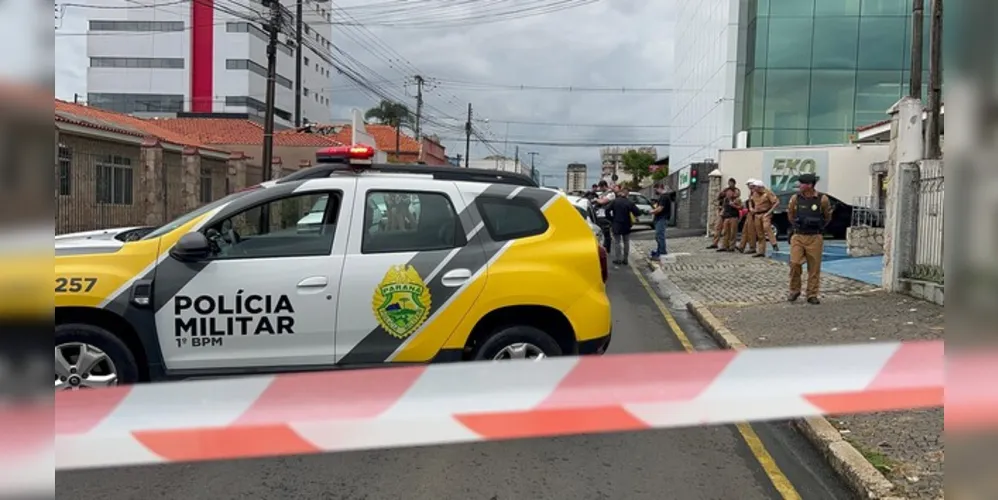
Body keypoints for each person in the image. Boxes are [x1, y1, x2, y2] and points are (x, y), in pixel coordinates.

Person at [787, 173, 832, 304]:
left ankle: (812, 294)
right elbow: (790, 214)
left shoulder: (822, 199)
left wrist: (819, 227)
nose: (800, 186)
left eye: (802, 183)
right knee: (795, 263)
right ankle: (794, 290)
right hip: (799, 235)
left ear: (810, 185)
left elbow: (827, 216)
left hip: (814, 236)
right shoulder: (795, 198)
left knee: (814, 267)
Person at [604, 187, 640, 265]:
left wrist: (611, 219)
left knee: (617, 242)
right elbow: (637, 212)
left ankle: (618, 259)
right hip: (626, 224)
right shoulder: (630, 202)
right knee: (626, 241)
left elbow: (607, 210)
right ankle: (625, 259)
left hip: (616, 223)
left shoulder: (615, 201)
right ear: (628, 194)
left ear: (621, 193)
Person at [749, 179, 780, 257]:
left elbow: (776, 202)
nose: (753, 188)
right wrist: (751, 208)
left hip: (765, 213)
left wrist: (769, 212)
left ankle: (774, 244)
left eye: (755, 187)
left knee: (766, 227)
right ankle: (761, 251)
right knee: (759, 233)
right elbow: (750, 200)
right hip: (757, 214)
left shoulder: (768, 193)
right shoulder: (754, 193)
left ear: (759, 187)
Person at [707, 178, 740, 249]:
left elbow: (736, 197)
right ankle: (715, 243)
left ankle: (728, 245)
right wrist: (722, 194)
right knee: (717, 227)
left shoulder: (736, 190)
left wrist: (731, 195)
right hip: (724, 210)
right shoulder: (726, 190)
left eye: (731, 183)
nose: (730, 184)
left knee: (729, 230)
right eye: (729, 183)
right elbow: (719, 197)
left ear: (734, 183)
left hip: (731, 212)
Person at [736, 179, 759, 253]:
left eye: (749, 184)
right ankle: (741, 246)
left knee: (751, 231)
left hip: (753, 214)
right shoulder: (751, 193)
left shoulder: (756, 193)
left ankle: (752, 247)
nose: (749, 186)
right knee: (745, 231)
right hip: (749, 213)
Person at [649, 183, 672, 259]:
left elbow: (660, 209)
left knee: (659, 235)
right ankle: (659, 250)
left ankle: (662, 252)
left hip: (662, 218)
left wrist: (651, 211)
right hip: (661, 218)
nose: (655, 191)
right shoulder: (663, 197)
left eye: (656, 190)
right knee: (658, 236)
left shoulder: (664, 197)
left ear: (659, 188)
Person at [593, 180, 616, 252]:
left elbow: (603, 201)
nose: (600, 189)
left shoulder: (611, 194)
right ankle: (604, 248)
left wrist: (596, 199)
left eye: (601, 187)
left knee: (606, 234)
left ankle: (607, 249)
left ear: (604, 186)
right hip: (601, 215)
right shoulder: (604, 193)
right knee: (602, 233)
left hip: (606, 216)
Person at [717, 187, 742, 252]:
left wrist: (734, 205)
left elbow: (741, 207)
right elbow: (723, 207)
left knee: (733, 232)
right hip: (726, 217)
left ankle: (732, 247)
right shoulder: (725, 200)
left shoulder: (737, 199)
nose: (728, 193)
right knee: (725, 232)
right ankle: (724, 246)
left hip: (734, 217)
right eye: (727, 192)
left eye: (730, 192)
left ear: (733, 193)